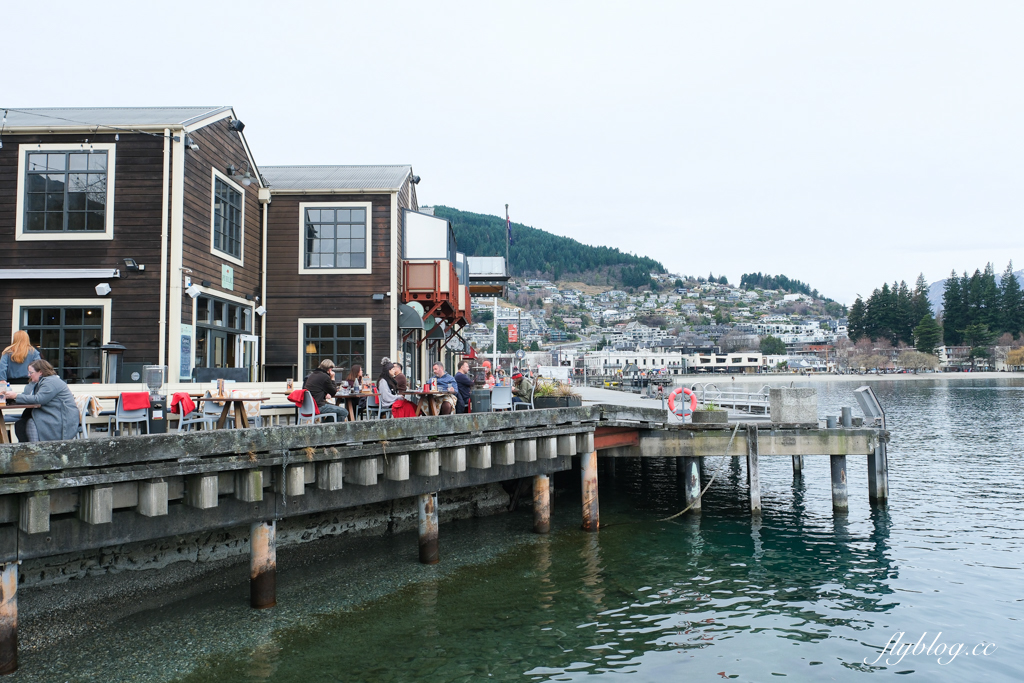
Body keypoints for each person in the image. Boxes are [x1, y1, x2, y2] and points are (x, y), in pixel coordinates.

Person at [4, 360, 78, 442]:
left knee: (31, 422)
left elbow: (39, 399)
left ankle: (36, 449)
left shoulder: (51, 382)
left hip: (61, 418)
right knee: (21, 423)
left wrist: (16, 396)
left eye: (31, 372)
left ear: (40, 372)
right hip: (50, 413)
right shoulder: (41, 382)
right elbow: (27, 395)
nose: (28, 375)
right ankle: (29, 451)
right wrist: (31, 384)